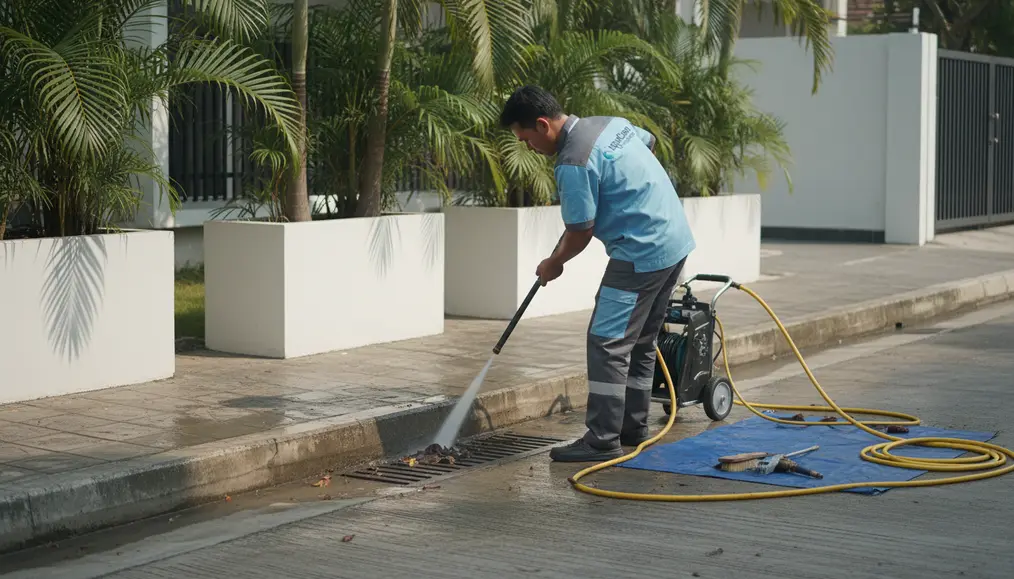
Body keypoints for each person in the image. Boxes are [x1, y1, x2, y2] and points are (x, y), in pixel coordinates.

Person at [499, 85, 696, 462]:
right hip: (674, 241)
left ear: (542, 125)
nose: (529, 148)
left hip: (640, 254)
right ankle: (632, 427)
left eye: (526, 139)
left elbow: (580, 232)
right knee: (641, 340)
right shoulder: (609, 124)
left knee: (607, 341)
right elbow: (649, 142)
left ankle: (602, 440)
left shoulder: (572, 161)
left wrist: (554, 262)